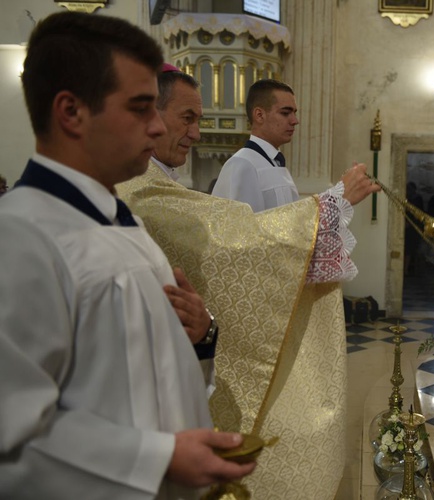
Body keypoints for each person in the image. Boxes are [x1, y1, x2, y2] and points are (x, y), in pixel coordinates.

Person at [0, 12, 256, 499]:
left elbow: (133, 380)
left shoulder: (121, 221)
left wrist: (199, 340)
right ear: (71, 112)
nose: (157, 126)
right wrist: (160, 458)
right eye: (141, 108)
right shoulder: (21, 236)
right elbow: (12, 441)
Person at [117, 66, 379, 499]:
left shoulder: (156, 179)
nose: (197, 133)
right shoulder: (142, 186)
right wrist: (328, 206)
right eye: (188, 118)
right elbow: (233, 235)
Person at [211, 79, 299, 212]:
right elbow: (241, 228)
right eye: (285, 113)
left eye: (294, 113)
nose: (295, 121)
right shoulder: (242, 164)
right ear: (259, 115)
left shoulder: (274, 162)